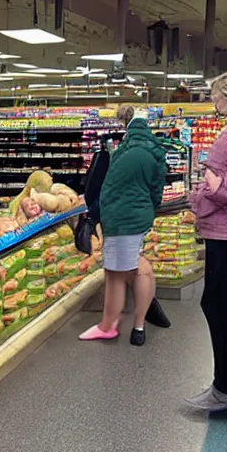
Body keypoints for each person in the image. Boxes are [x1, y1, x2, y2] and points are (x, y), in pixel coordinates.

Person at [79, 105, 167, 346]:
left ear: (125, 124)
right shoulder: (153, 149)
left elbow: (111, 187)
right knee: (130, 267)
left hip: (123, 219)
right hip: (136, 215)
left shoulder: (125, 150)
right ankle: (132, 323)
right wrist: (149, 208)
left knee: (124, 272)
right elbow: (156, 188)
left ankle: (117, 327)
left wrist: (98, 214)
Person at [187, 71, 227, 411]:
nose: (214, 104)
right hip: (222, 230)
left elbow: (224, 187)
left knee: (219, 305)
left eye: (216, 97)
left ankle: (226, 386)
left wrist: (209, 188)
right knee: (218, 304)